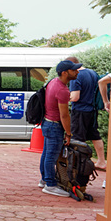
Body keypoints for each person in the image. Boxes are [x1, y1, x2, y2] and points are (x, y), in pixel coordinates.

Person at [39, 59, 82, 197]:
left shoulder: (53, 82)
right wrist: (68, 134)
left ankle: (44, 180)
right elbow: (64, 115)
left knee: (46, 153)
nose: (76, 72)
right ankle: (50, 185)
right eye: (74, 70)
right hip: (54, 125)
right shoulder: (62, 90)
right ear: (65, 73)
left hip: (47, 122)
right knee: (51, 156)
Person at [67, 56, 106, 171]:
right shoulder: (92, 73)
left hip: (80, 111)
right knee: (95, 135)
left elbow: (75, 97)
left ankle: (79, 164)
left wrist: (63, 97)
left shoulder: (76, 76)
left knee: (77, 138)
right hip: (92, 111)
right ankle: (101, 161)